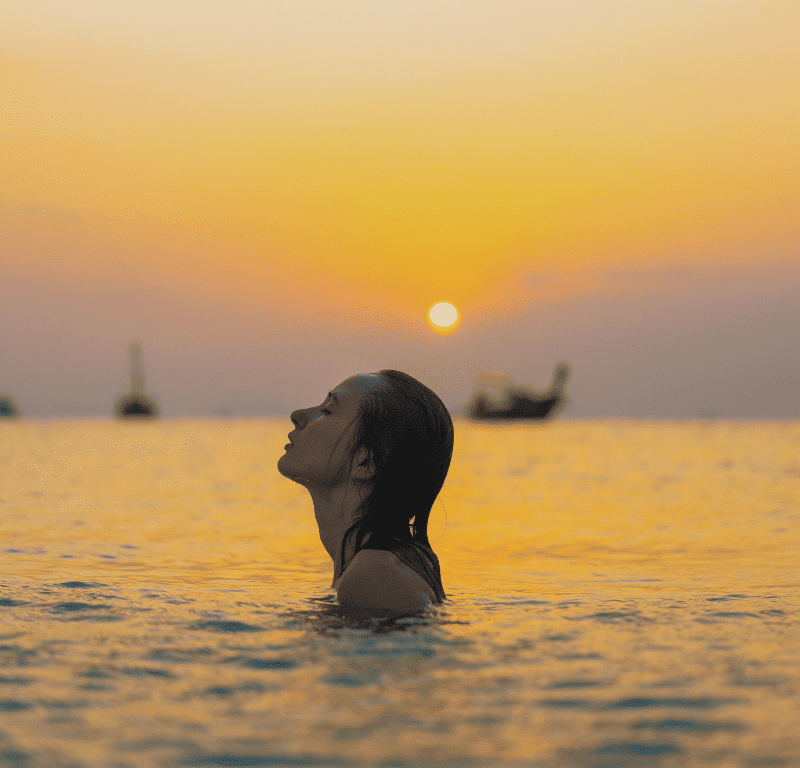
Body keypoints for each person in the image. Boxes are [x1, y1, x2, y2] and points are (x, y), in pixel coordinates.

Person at [277, 370, 452, 613]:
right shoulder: (389, 565)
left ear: (365, 462)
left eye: (327, 410)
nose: (297, 416)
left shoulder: (371, 577)